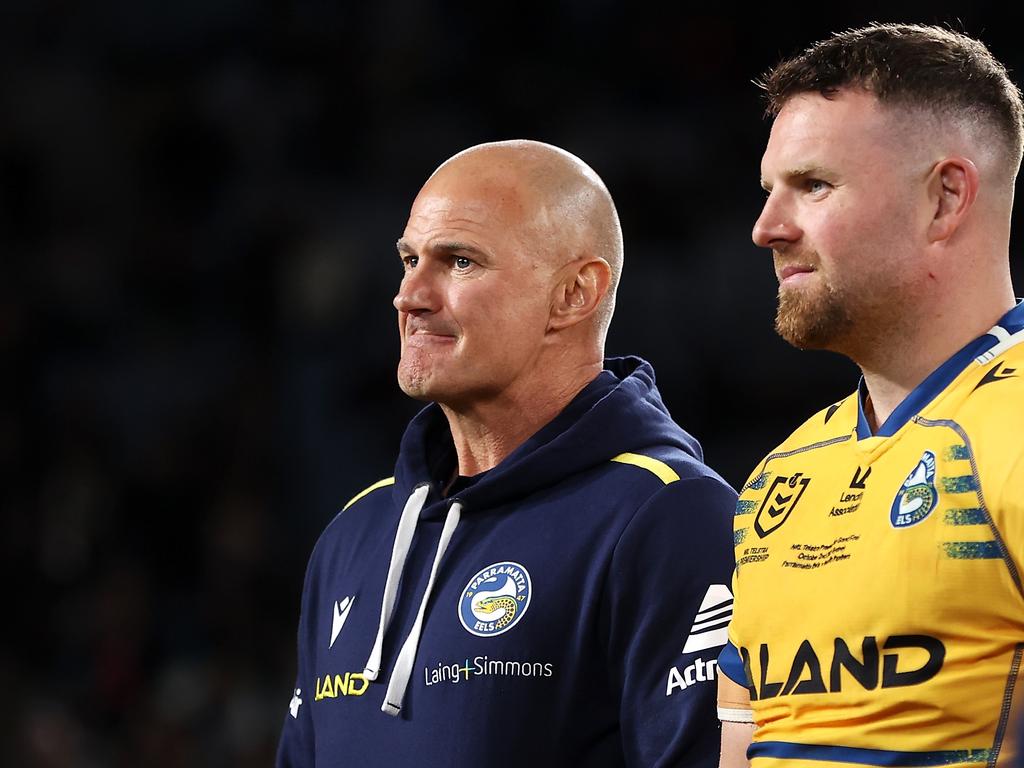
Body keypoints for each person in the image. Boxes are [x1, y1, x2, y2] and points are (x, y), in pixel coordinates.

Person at [276, 140, 736, 767]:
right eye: (409, 260)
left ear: (575, 293)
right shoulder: (355, 533)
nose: (410, 295)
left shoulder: (667, 516)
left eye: (459, 262)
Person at [717, 23, 1024, 767]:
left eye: (813, 185)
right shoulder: (779, 477)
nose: (766, 228)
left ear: (946, 198)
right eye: (770, 191)